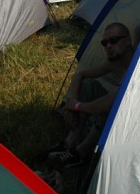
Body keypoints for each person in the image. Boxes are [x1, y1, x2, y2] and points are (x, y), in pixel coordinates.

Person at [47, 22, 135, 170]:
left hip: (135, 117)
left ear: (128, 40)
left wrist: (76, 106)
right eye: (104, 43)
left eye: (113, 40)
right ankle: (70, 143)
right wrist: (72, 102)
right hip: (113, 102)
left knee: (113, 108)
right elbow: (80, 75)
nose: (108, 46)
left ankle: (80, 153)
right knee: (88, 86)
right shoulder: (114, 62)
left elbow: (108, 103)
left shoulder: (137, 64)